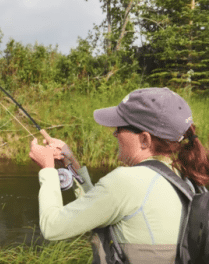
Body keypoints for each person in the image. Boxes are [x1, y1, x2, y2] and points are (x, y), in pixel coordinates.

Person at [29, 87, 209, 263]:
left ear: (145, 139)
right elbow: (101, 207)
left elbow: (52, 227)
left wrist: (47, 169)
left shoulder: (127, 181)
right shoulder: (185, 176)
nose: (115, 133)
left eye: (120, 127)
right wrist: (72, 163)